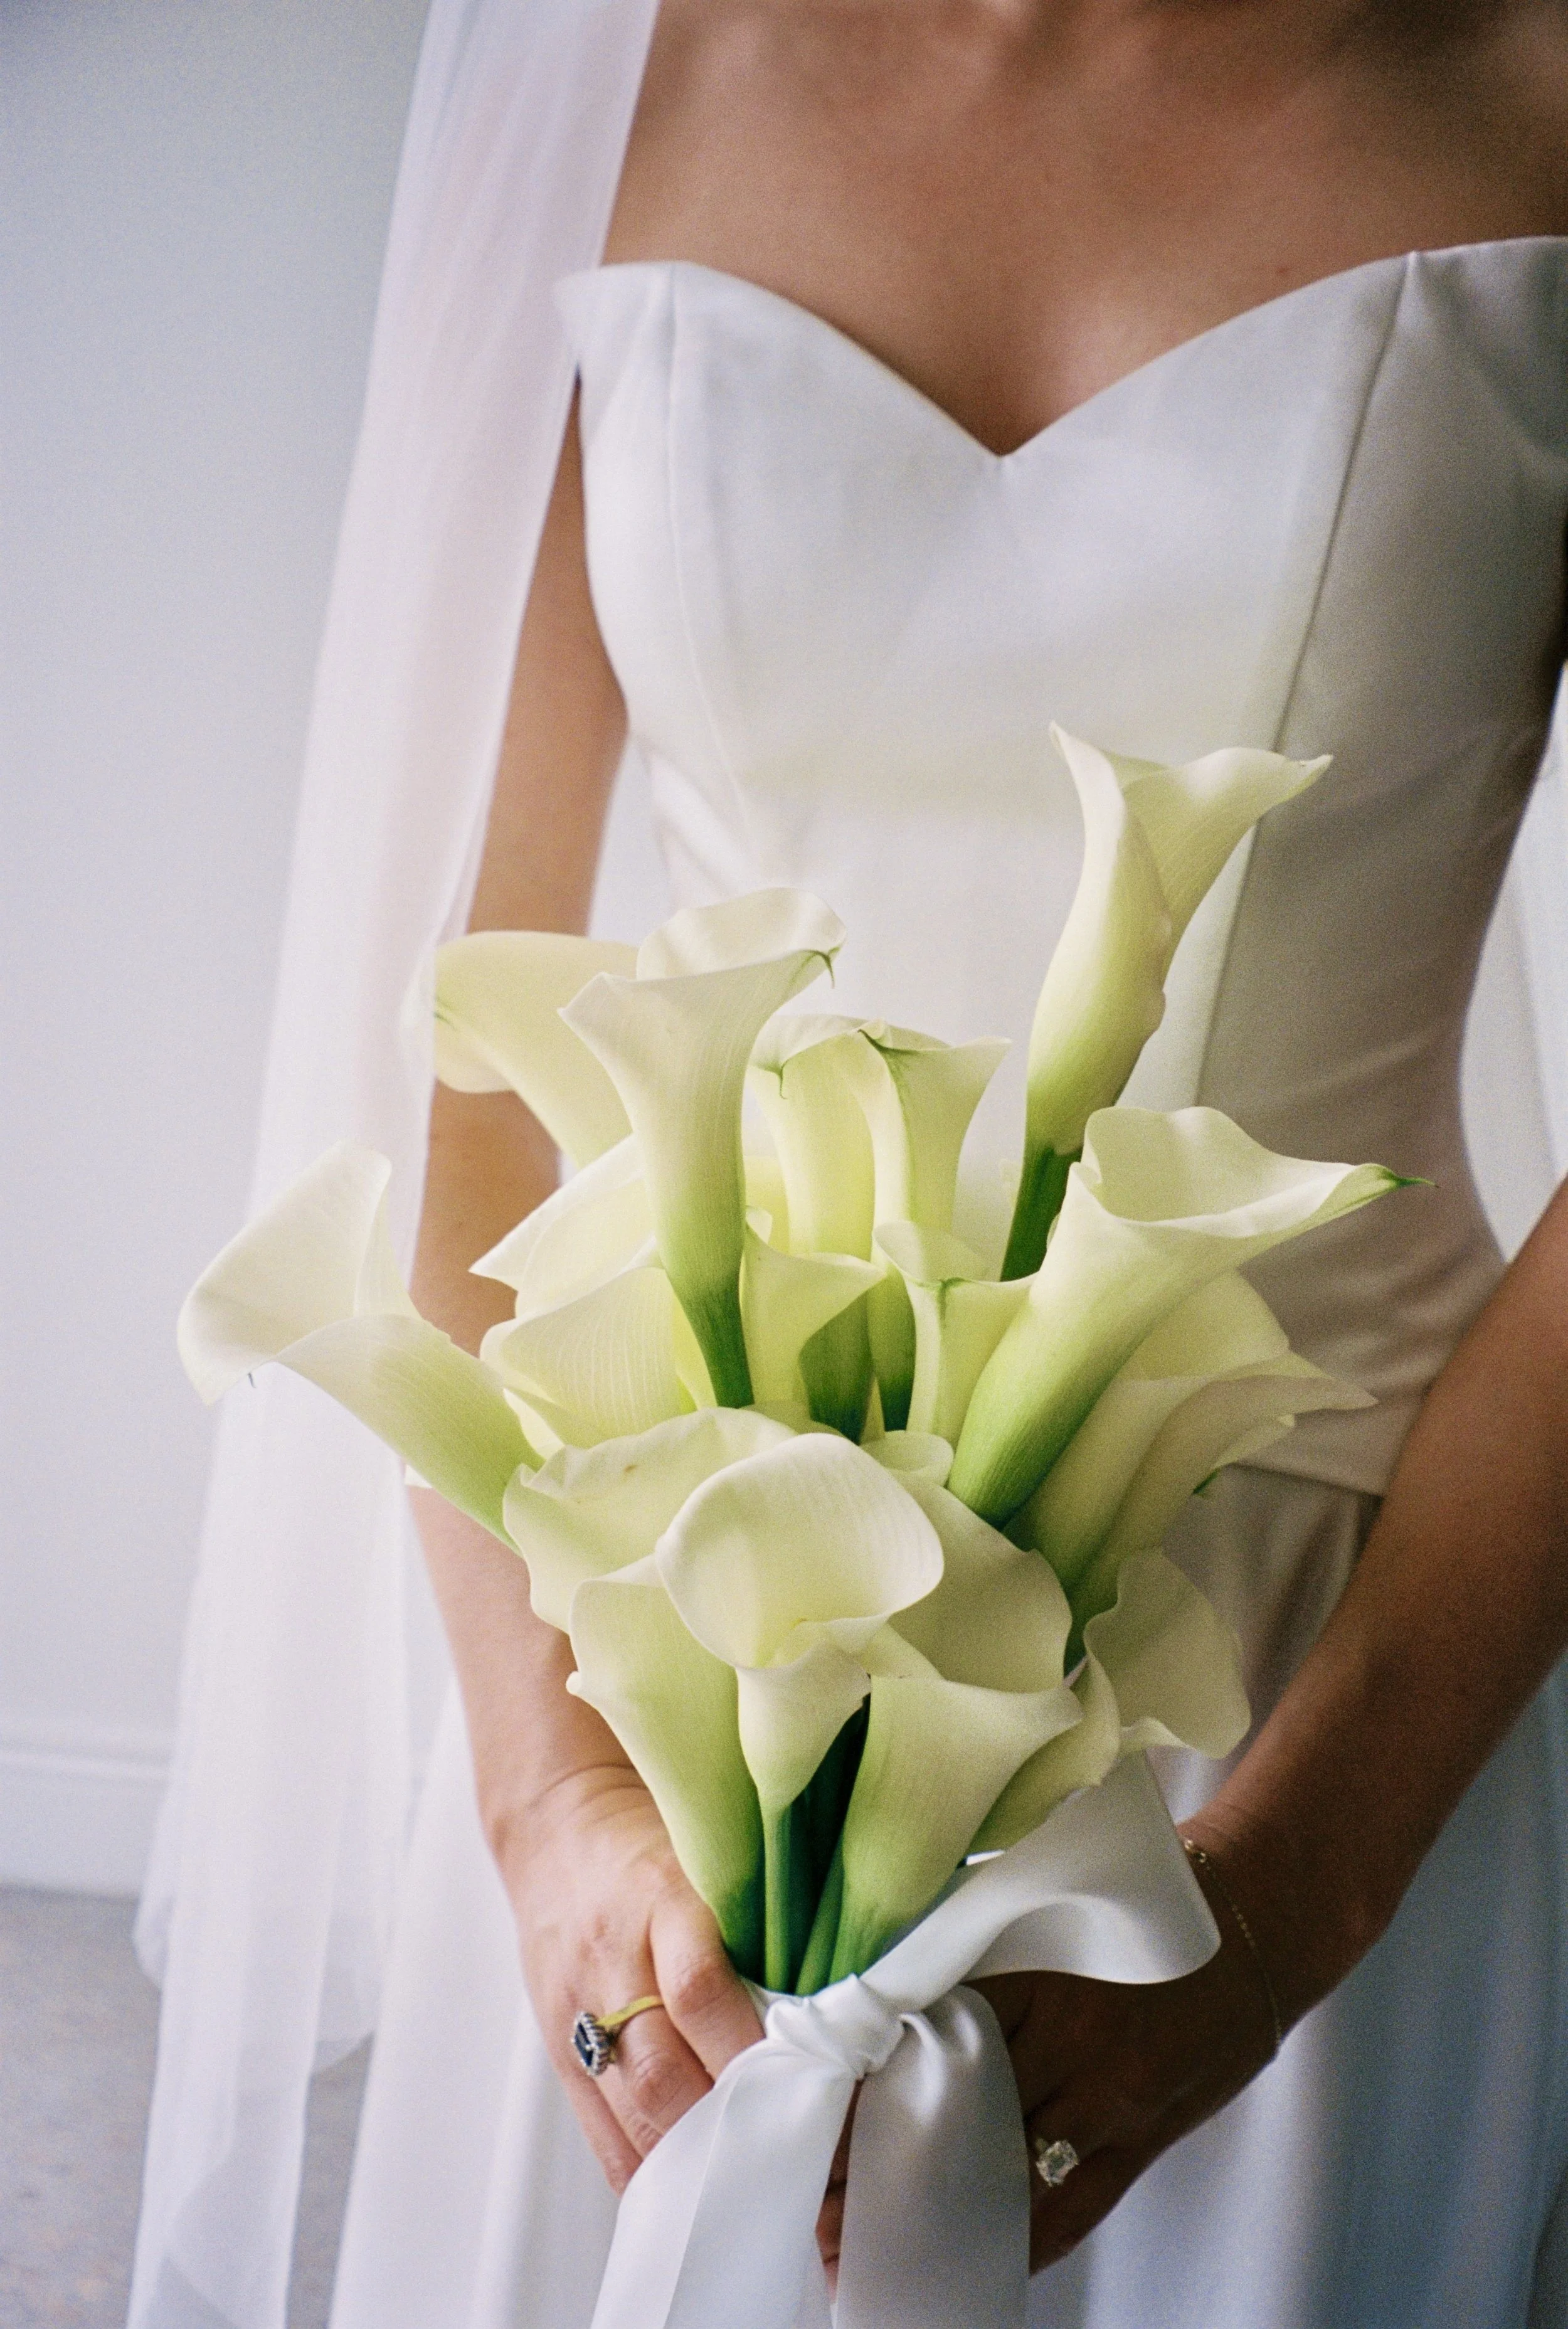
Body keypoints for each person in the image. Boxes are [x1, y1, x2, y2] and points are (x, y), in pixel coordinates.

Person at [134, 4, 1568, 2325]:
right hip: (683, 1656)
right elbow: (469, 1033)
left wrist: (1296, 1887)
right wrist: (552, 1802)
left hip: (1316, 1665)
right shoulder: (603, 81)